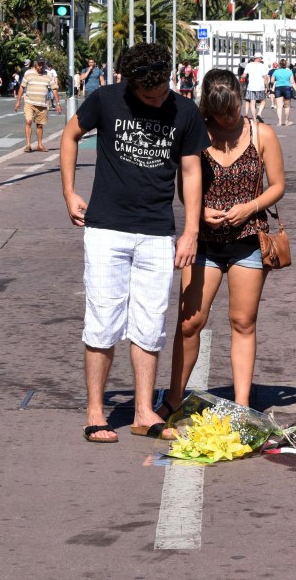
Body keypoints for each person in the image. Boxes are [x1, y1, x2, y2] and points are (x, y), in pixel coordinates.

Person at [59, 43, 210, 443]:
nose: (157, 99)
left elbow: (192, 172)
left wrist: (191, 231)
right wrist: (69, 191)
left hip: (158, 232)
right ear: (130, 84)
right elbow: (70, 135)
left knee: (149, 324)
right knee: (103, 319)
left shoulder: (185, 111)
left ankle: (144, 411)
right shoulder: (106, 100)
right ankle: (96, 412)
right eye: (148, 95)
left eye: (161, 91)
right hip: (107, 228)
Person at [163, 69, 286, 417]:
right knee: (190, 322)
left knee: (242, 322)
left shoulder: (261, 133)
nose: (227, 119)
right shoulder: (196, 133)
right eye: (219, 114)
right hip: (204, 242)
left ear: (239, 98)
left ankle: (243, 404)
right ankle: (174, 397)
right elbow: (184, 185)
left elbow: (277, 185)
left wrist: (250, 206)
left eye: (230, 110)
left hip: (248, 239)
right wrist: (200, 213)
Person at [14, 57, 61, 152]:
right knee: (28, 121)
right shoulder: (28, 73)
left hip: (42, 104)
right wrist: (18, 101)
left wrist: (58, 103)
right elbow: (22, 87)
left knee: (40, 125)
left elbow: (54, 89)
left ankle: (39, 145)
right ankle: (28, 145)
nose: (41, 66)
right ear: (35, 64)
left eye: (42, 64)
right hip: (29, 102)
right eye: (39, 64)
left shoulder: (47, 74)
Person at [241, 53, 269, 122]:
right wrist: (267, 87)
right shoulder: (262, 66)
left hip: (251, 87)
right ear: (259, 58)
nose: (261, 59)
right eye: (261, 58)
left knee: (252, 103)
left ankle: (254, 118)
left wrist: (241, 77)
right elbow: (265, 77)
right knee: (263, 101)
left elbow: (244, 75)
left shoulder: (249, 65)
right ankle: (259, 114)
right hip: (260, 87)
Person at [271, 59, 296, 126]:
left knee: (279, 106)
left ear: (279, 64)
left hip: (278, 88)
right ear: (286, 64)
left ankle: (280, 121)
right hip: (287, 88)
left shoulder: (276, 71)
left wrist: (276, 81)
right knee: (287, 106)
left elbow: (272, 81)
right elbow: (292, 82)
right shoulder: (289, 72)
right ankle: (286, 121)